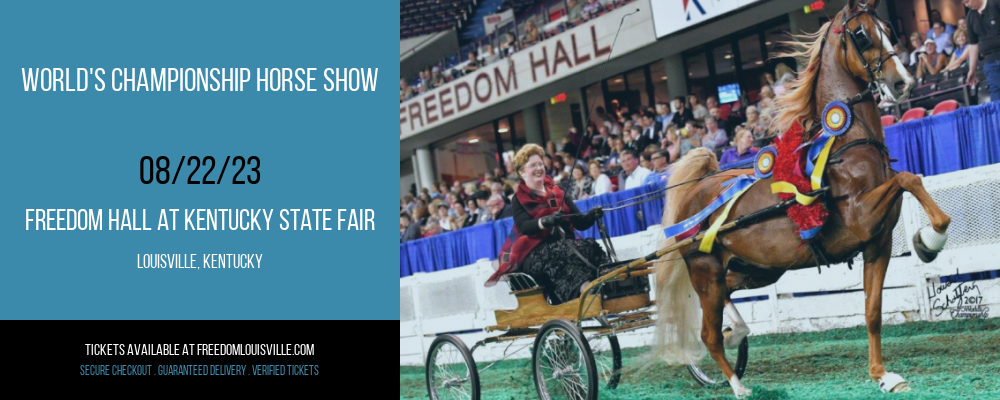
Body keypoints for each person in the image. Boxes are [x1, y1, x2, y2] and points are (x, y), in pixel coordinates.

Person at [485, 144, 609, 306]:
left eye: (540, 164)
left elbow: (579, 222)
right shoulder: (518, 199)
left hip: (565, 245)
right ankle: (582, 290)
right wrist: (547, 221)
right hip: (535, 252)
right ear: (522, 172)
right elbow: (524, 226)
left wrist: (592, 216)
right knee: (559, 252)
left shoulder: (559, 192)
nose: (539, 168)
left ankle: (608, 283)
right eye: (533, 165)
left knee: (589, 246)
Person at [965, 0, 1000, 101]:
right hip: (989, 61)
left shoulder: (996, 3)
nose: (967, 5)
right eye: (964, 3)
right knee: (996, 96)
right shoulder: (970, 17)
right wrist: (972, 69)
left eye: (967, 1)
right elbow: (973, 45)